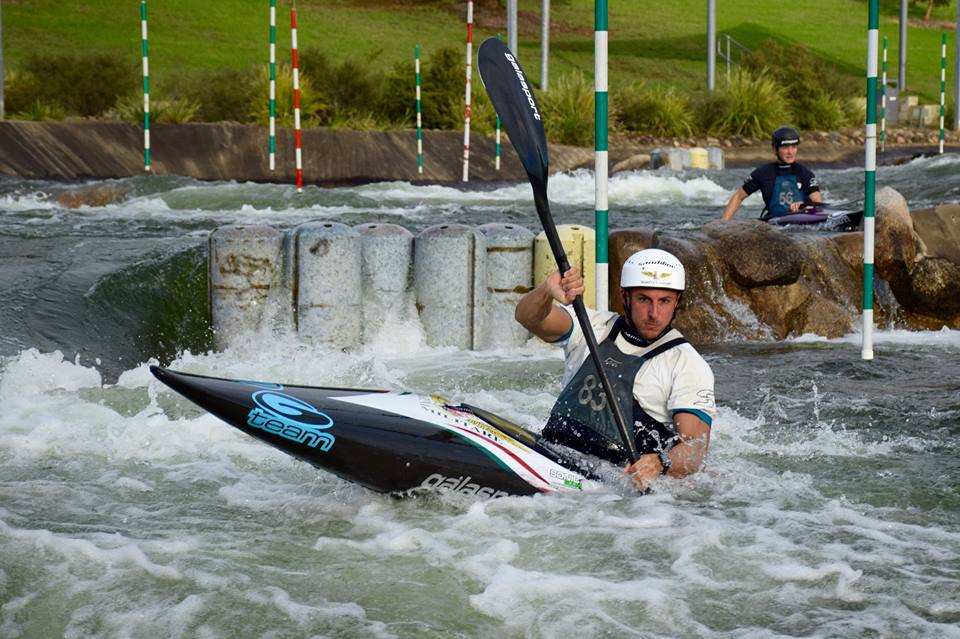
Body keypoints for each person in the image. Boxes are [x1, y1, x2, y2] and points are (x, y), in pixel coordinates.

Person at [515, 248, 716, 491]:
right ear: (625, 296)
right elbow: (528, 318)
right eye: (644, 299)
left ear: (677, 302)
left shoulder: (688, 364)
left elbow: (695, 451)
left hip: (614, 483)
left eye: (664, 301)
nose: (654, 313)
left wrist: (660, 463)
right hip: (553, 453)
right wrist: (547, 290)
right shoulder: (591, 326)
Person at [721, 126, 823, 221]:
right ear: (775, 149)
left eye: (794, 147)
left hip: (801, 224)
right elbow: (738, 196)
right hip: (773, 225)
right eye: (785, 147)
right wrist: (723, 224)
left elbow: (818, 204)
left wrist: (806, 205)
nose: (790, 152)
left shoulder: (805, 173)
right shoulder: (762, 173)